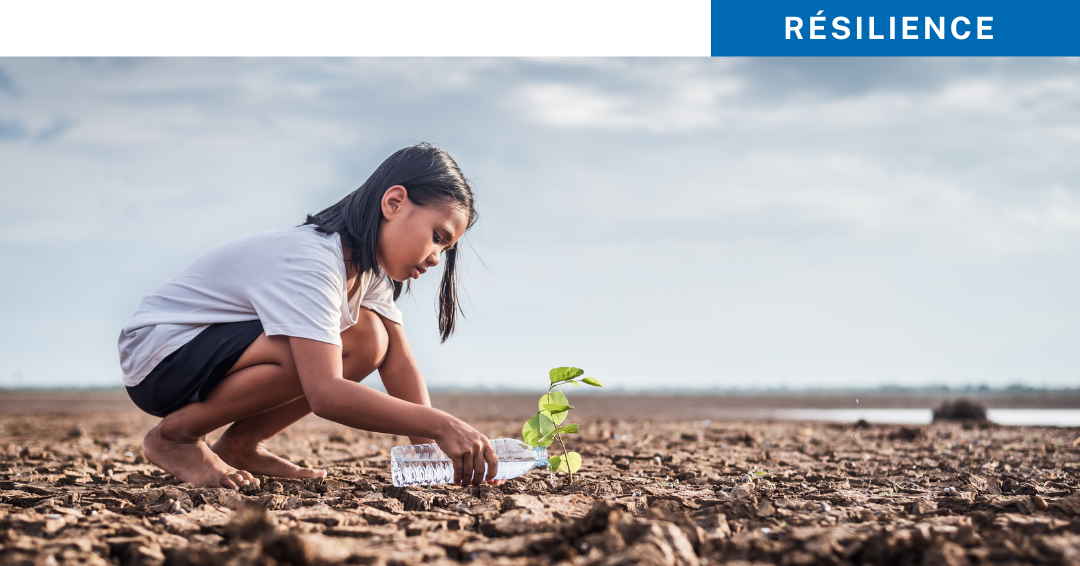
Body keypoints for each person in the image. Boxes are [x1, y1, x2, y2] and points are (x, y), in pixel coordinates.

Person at [117, 143, 498, 490]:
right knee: (309, 349)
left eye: (445, 249)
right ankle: (176, 437)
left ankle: (241, 444)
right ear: (394, 203)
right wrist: (442, 425)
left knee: (369, 339)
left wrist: (432, 456)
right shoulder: (314, 261)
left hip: (204, 353)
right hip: (162, 355)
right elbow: (326, 393)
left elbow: (399, 365)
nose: (436, 257)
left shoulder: (367, 271)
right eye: (437, 236)